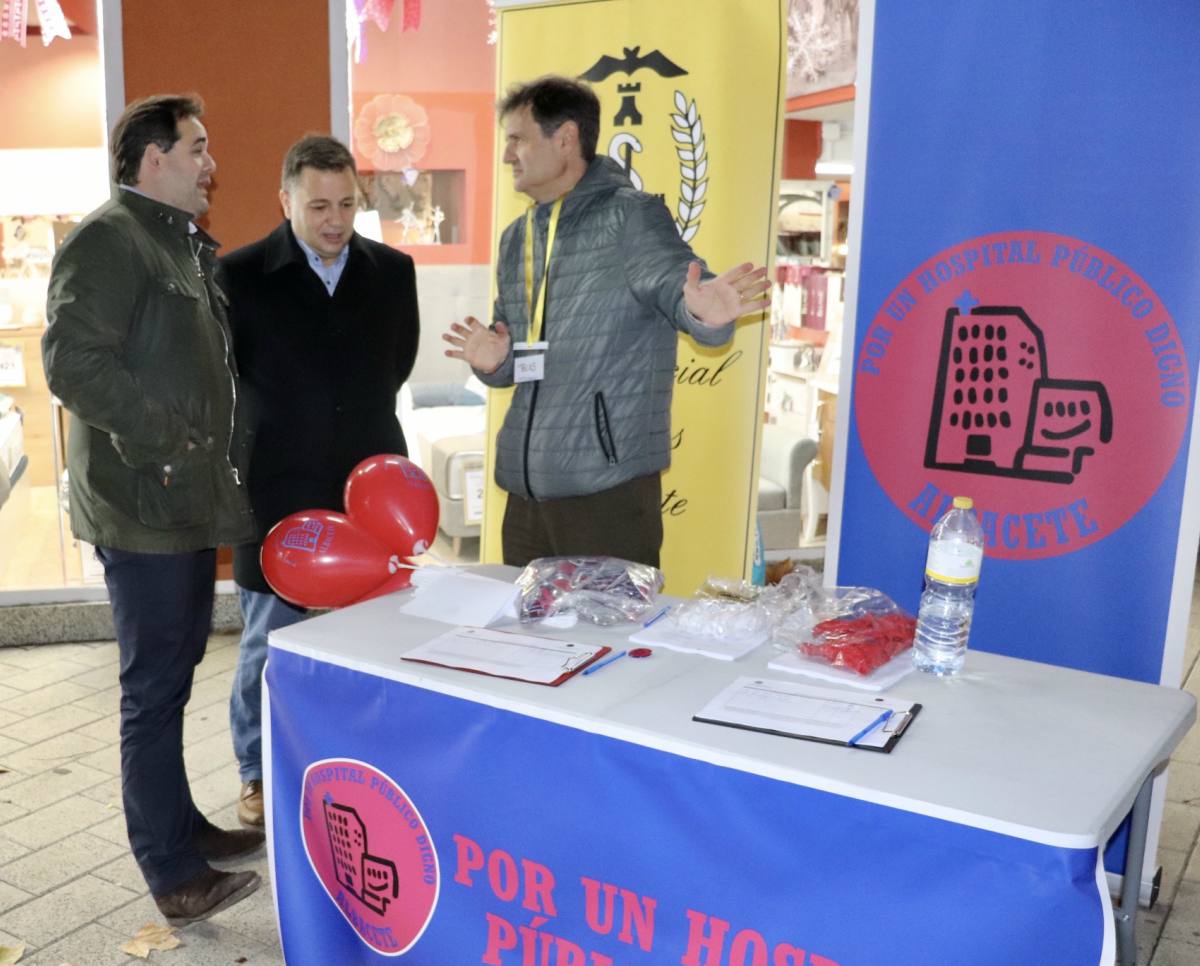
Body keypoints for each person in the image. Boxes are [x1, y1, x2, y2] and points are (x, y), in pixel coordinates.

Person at [42, 95, 262, 925]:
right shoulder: (109, 240)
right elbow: (73, 365)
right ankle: (171, 871)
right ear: (152, 159)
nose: (211, 164)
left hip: (182, 499)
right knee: (152, 687)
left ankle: (184, 830)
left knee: (172, 679)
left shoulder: (172, 243)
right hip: (147, 498)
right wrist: (170, 443)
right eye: (198, 148)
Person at [444, 75, 770, 568]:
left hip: (606, 492)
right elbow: (512, 348)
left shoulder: (632, 217)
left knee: (610, 639)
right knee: (526, 640)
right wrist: (495, 362)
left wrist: (706, 314)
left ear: (566, 138)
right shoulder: (517, 236)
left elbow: (676, 290)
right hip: (526, 493)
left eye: (517, 139)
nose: (508, 154)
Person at [221, 134, 419, 827]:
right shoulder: (238, 276)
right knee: (267, 643)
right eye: (317, 206)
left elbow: (397, 366)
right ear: (286, 201)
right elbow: (231, 380)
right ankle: (255, 769)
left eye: (346, 204)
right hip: (277, 490)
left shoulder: (394, 272)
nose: (334, 220)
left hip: (369, 496)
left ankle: (355, 759)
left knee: (367, 638)